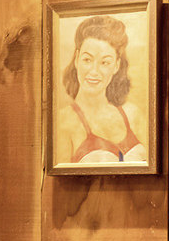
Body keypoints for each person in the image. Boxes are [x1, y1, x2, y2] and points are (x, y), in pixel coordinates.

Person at [56, 14, 148, 165]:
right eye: (87, 59)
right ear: (77, 58)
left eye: (105, 62)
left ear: (116, 65)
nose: (94, 71)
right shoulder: (64, 122)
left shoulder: (134, 115)